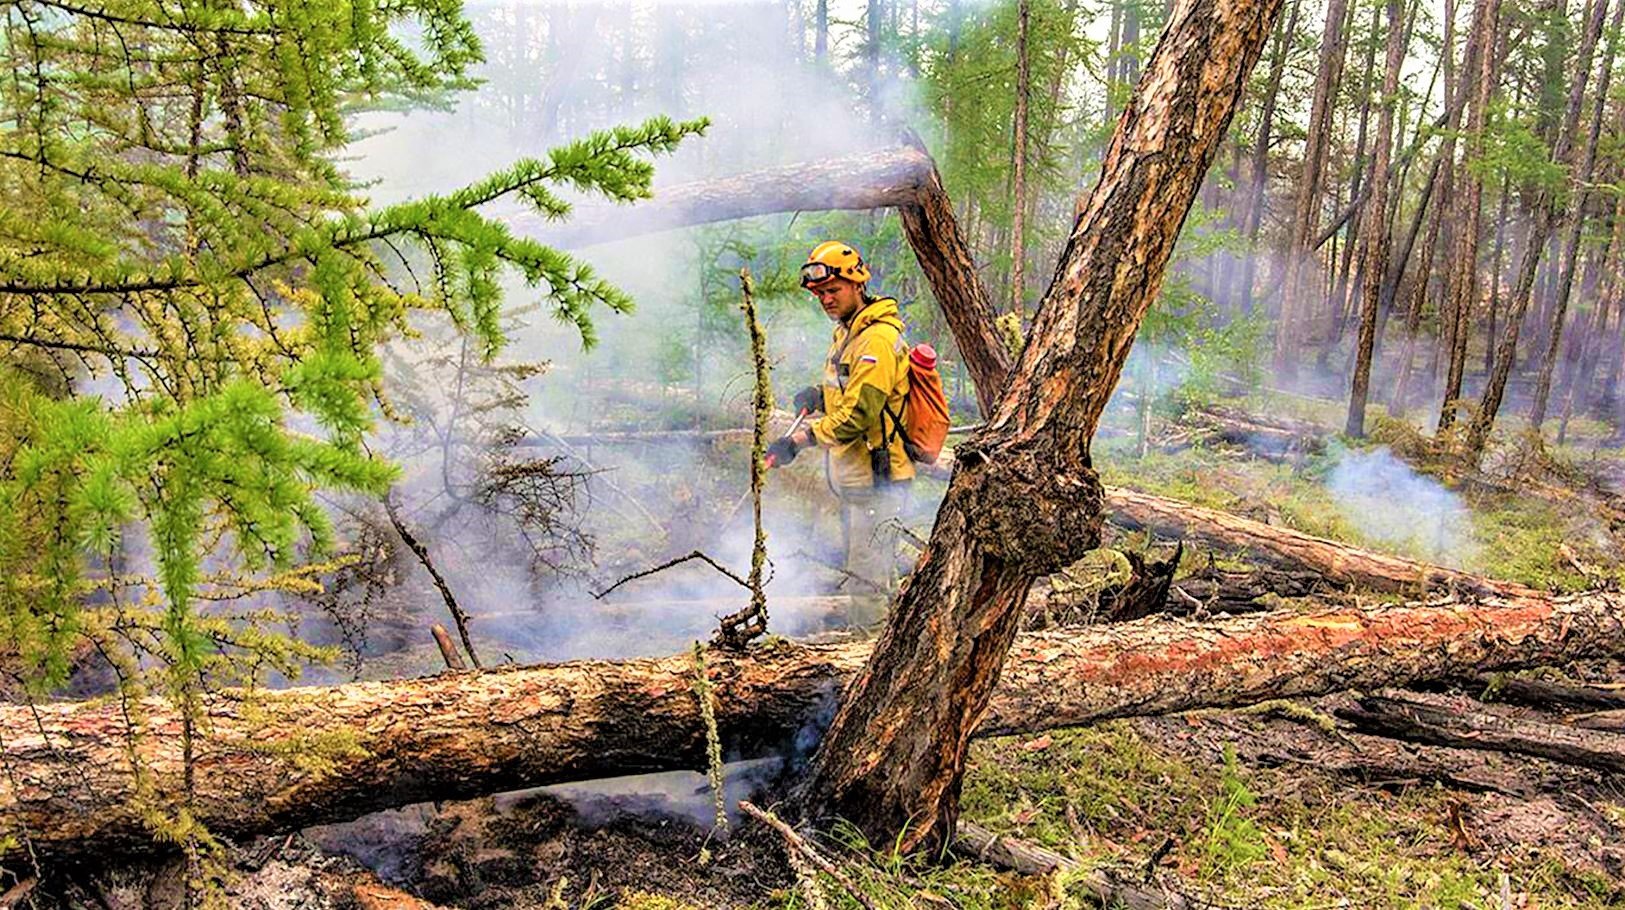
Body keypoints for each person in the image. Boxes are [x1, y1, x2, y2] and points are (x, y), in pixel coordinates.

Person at [767, 241, 914, 602]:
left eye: (833, 290)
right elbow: (851, 390)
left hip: (878, 482)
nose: (826, 299)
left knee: (869, 589)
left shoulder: (877, 340)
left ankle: (870, 651)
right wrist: (820, 395)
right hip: (854, 479)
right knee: (860, 573)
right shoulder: (848, 331)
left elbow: (859, 415)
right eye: (820, 294)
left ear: (857, 283)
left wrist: (800, 441)